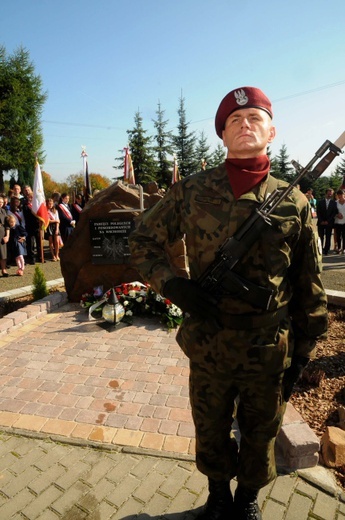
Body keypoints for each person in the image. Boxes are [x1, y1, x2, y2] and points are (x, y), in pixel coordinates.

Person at [128, 86, 328, 520]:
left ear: (271, 131)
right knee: (211, 425)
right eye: (233, 121)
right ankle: (218, 496)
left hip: (267, 345)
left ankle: (247, 499)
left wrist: (307, 344)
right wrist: (173, 286)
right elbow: (142, 240)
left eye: (254, 118)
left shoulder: (294, 202)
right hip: (210, 340)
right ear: (222, 135)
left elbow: (308, 278)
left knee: (261, 432)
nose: (244, 125)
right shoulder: (192, 192)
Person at [316, 188, 338, 255]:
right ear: (326, 193)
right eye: (329, 192)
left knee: (328, 237)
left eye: (331, 193)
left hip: (329, 222)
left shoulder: (334, 203)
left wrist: (328, 221)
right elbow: (318, 212)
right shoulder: (320, 202)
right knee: (320, 236)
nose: (330, 194)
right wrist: (321, 220)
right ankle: (320, 249)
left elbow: (334, 213)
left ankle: (326, 250)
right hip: (321, 222)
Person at [0, 196, 10, 277]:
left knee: (3, 253)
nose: (0, 203)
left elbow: (7, 225)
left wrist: (7, 236)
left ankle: (3, 270)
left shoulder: (4, 211)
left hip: (2, 234)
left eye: (2, 202)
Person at [334, 189, 345, 253]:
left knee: (344, 236)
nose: (340, 196)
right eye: (339, 195)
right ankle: (339, 247)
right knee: (338, 236)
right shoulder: (335, 203)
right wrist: (337, 215)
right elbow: (333, 212)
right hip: (337, 222)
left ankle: (344, 248)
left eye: (342, 194)